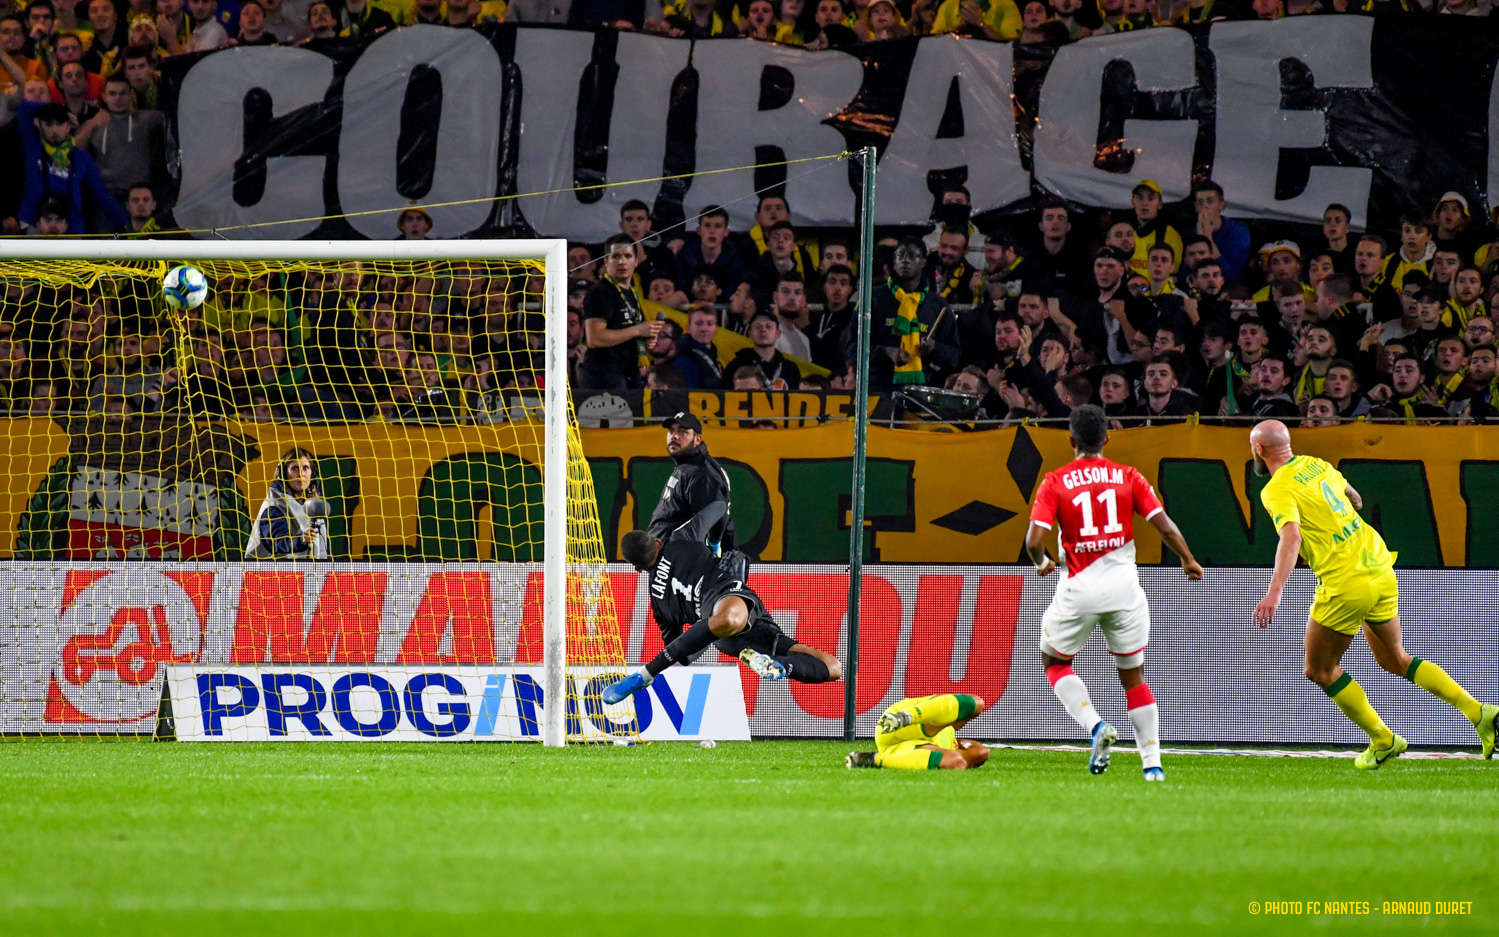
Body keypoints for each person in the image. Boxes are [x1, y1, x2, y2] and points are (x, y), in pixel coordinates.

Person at [1249, 420, 1496, 767]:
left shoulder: (1275, 489)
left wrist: (1274, 592)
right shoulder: (1314, 463)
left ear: (1259, 450)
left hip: (1347, 580)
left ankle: (1383, 739)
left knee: (1319, 669)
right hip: (1379, 566)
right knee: (1395, 659)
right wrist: (1350, 497)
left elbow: (1291, 536)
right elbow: (1350, 493)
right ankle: (1478, 711)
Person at [1025, 405, 1203, 780]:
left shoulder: (1056, 481)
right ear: (1107, 437)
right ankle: (1152, 767)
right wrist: (1187, 558)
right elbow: (1165, 526)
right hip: (1125, 592)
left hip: (1079, 589)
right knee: (1134, 677)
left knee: (1055, 663)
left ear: (1071, 440)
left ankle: (1094, 726)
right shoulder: (1129, 477)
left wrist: (1041, 563)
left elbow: (1034, 540)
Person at [599, 530, 842, 705]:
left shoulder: (658, 604)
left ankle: (778, 665)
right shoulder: (681, 538)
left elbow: (684, 655)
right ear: (658, 541)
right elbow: (719, 510)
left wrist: (701, 632)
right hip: (727, 601)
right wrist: (716, 543)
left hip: (735, 634)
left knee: (834, 668)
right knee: (728, 620)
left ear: (637, 568)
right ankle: (645, 674)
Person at [646, 411, 735, 554]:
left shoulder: (701, 473)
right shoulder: (688, 467)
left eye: (683, 432)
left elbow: (714, 519)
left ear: (697, 439)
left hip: (679, 565)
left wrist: (713, 548)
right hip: (667, 561)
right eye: (671, 431)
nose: (674, 436)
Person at [580, 234, 661, 390]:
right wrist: (638, 330)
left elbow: (629, 333)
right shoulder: (600, 291)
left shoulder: (630, 293)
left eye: (627, 256)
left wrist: (646, 339)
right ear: (606, 262)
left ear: (636, 262)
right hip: (603, 376)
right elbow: (595, 338)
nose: (622, 261)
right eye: (615, 256)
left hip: (626, 372)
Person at [845, 694, 992, 771]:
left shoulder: (952, 748)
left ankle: (872, 759)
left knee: (956, 762)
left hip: (898, 747)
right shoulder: (948, 723)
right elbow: (981, 752)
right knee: (977, 703)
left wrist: (968, 750)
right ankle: (909, 716)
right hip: (895, 721)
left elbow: (981, 752)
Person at [245, 446, 331, 560]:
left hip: (307, 574)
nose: (301, 474)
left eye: (305, 468)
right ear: (284, 474)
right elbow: (276, 542)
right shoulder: (275, 505)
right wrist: (301, 540)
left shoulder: (314, 506)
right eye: (295, 468)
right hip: (270, 575)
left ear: (313, 473)